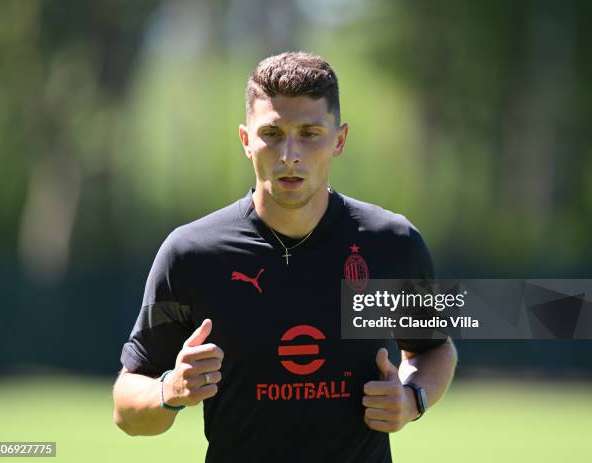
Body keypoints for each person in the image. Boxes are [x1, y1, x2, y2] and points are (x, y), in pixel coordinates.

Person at [113, 51, 458, 463]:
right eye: (272, 134)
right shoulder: (191, 254)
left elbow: (434, 349)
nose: (288, 155)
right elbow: (126, 409)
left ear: (339, 140)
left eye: (310, 133)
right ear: (246, 141)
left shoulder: (392, 243)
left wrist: (411, 398)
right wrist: (169, 390)